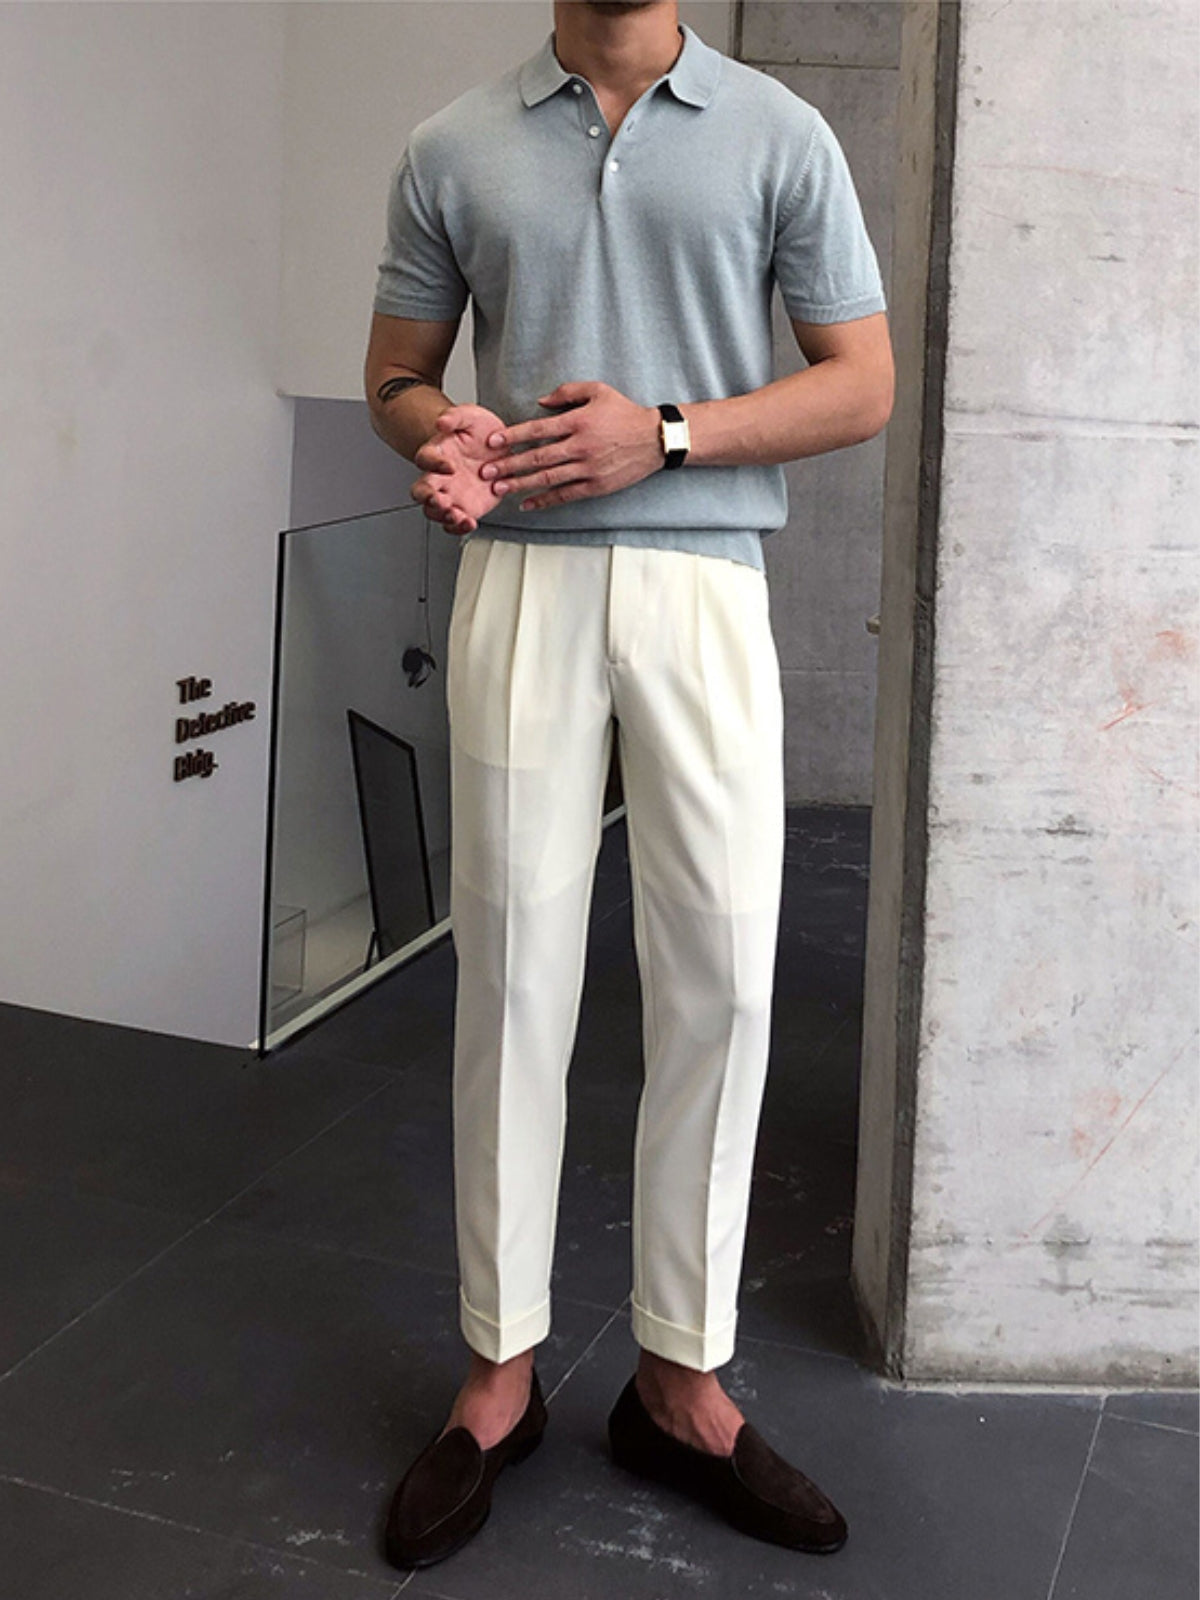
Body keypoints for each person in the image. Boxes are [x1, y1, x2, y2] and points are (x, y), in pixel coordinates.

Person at [363, 0, 893, 1571]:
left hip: (706, 582)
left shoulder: (781, 134)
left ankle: (682, 1378)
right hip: (519, 587)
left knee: (724, 978)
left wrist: (664, 435)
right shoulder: (451, 145)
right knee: (511, 974)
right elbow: (395, 372)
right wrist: (439, 429)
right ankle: (498, 1372)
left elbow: (860, 382)